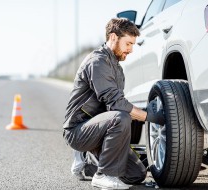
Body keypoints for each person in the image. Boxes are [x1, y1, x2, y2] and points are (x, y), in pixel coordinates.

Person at [63, 18, 165, 189]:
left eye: (133, 45)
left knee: (136, 174)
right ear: (113, 37)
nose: (131, 50)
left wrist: (142, 113)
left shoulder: (117, 69)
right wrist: (147, 116)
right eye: (128, 44)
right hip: (77, 130)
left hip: (99, 129)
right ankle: (104, 175)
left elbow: (113, 107)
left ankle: (89, 163)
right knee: (121, 118)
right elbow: (116, 105)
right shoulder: (98, 62)